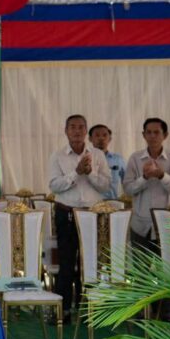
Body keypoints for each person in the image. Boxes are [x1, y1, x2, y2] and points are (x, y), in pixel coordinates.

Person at [48, 114, 111, 319]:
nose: (77, 131)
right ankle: (64, 309)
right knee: (66, 262)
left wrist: (90, 173)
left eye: (81, 127)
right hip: (66, 214)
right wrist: (76, 173)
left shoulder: (97, 155)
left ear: (86, 131)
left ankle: (88, 309)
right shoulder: (57, 156)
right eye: (73, 127)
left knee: (90, 261)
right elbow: (54, 186)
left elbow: (105, 185)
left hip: (92, 216)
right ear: (66, 131)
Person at [122, 118, 170, 253]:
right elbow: (127, 189)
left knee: (167, 264)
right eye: (149, 132)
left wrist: (162, 176)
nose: (152, 136)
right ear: (143, 135)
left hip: (168, 224)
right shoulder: (135, 158)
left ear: (165, 135)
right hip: (141, 225)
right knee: (141, 265)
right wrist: (145, 178)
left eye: (156, 132)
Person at [88, 124, 124, 199]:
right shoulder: (85, 159)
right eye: (97, 135)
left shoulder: (118, 159)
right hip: (90, 203)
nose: (101, 138)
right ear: (90, 139)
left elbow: (128, 181)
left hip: (113, 203)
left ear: (110, 138)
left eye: (105, 135)